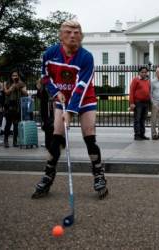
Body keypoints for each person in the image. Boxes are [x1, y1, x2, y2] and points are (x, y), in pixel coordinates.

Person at [32, 20, 108, 199]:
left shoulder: (86, 57)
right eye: (68, 32)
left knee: (89, 136)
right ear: (61, 35)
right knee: (56, 136)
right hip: (62, 98)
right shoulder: (49, 54)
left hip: (85, 99)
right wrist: (55, 92)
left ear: (81, 36)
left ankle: (98, 174)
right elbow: (44, 77)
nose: (72, 35)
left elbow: (81, 86)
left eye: (76, 32)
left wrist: (71, 111)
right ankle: (48, 175)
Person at [3, 70, 28, 148]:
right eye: (13, 75)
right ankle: (6, 141)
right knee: (8, 124)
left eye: (16, 75)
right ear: (11, 76)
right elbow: (6, 92)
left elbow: (26, 93)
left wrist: (20, 88)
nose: (14, 77)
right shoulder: (7, 83)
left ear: (18, 76)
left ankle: (15, 141)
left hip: (17, 106)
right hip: (9, 106)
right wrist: (13, 86)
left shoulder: (21, 83)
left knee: (16, 125)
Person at [129, 66, 150, 140]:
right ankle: (137, 135)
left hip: (146, 103)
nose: (144, 73)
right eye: (142, 72)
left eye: (145, 72)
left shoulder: (147, 80)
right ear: (139, 72)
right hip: (138, 103)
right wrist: (131, 103)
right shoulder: (136, 80)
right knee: (137, 119)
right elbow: (131, 91)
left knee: (143, 119)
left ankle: (142, 134)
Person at [36, 79, 54, 150]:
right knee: (46, 125)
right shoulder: (42, 86)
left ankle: (53, 141)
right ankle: (48, 141)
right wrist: (39, 88)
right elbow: (39, 96)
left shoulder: (52, 84)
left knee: (53, 124)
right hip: (44, 108)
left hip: (52, 107)